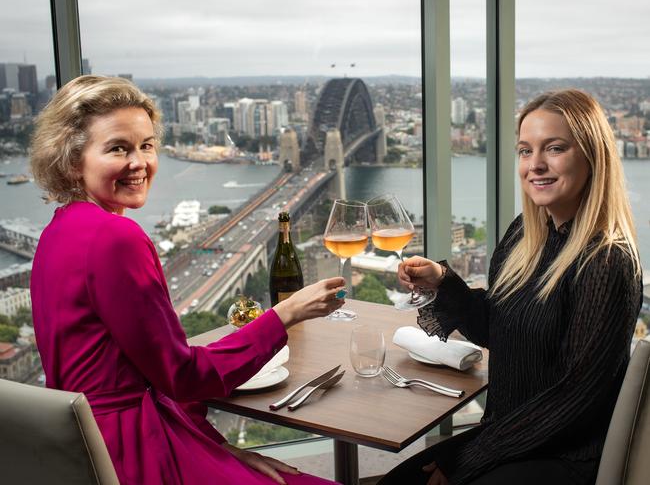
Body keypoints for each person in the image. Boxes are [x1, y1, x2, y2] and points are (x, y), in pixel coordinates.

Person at [29, 75, 346, 485]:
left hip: (87, 451)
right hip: (137, 452)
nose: (139, 163)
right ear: (73, 161)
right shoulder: (115, 237)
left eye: (146, 145)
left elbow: (141, 370)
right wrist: (283, 315)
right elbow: (181, 376)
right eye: (117, 148)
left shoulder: (58, 231)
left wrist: (216, 444)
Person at [380, 89, 643, 485]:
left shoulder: (606, 261)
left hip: (564, 455)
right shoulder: (526, 233)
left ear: (592, 156)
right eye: (525, 150)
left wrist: (470, 458)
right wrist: (443, 280)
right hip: (510, 437)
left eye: (554, 148)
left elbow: (575, 397)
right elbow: (497, 326)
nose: (535, 165)